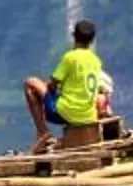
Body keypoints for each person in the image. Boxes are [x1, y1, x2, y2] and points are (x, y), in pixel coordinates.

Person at [24, 18, 115, 153]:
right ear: (92, 40)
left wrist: (51, 88)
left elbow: (52, 85)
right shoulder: (96, 61)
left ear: (74, 36)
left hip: (65, 113)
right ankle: (44, 134)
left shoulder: (70, 57)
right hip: (88, 115)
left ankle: (43, 132)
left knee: (30, 83)